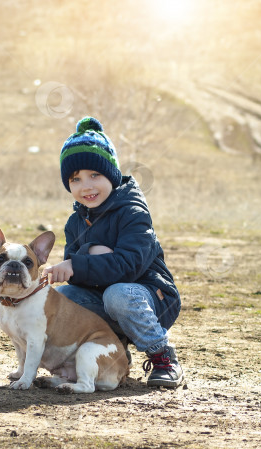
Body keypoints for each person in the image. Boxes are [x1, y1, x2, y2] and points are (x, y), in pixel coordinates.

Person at [43, 116, 184, 388]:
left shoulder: (132, 212)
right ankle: (112, 351)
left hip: (150, 295)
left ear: (112, 174)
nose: (86, 186)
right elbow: (77, 276)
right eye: (76, 179)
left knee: (117, 293)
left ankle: (163, 357)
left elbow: (129, 266)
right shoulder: (75, 222)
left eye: (95, 175)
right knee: (65, 296)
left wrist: (78, 263)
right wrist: (80, 260)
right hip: (104, 299)